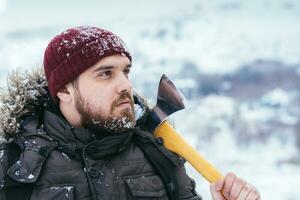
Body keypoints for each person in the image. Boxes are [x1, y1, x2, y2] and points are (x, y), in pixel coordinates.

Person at [0, 26, 260, 200]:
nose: (125, 85)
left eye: (125, 71)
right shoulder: (13, 166)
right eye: (105, 74)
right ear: (64, 91)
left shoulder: (158, 156)